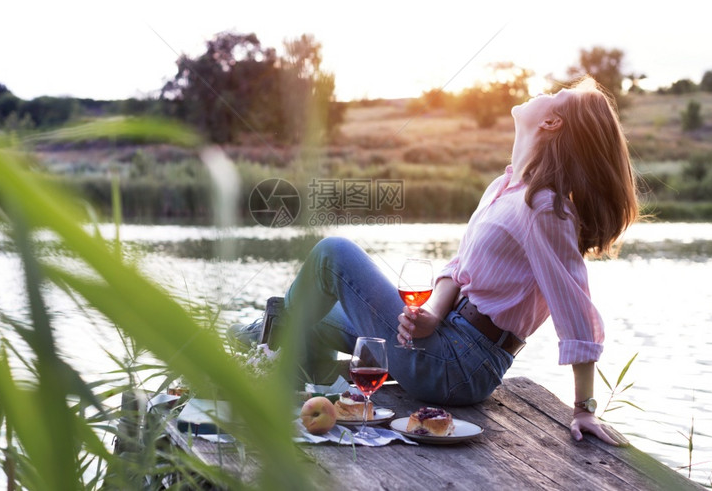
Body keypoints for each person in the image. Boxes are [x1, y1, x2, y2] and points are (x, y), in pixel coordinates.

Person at [230, 76, 638, 446]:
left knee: (332, 255)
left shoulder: (544, 207)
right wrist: (430, 313)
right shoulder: (506, 188)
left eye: (555, 94)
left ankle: (254, 353)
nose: (545, 90)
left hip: (460, 365)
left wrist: (584, 409)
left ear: (552, 123)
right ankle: (291, 380)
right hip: (443, 337)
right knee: (314, 323)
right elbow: (458, 269)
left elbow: (576, 309)